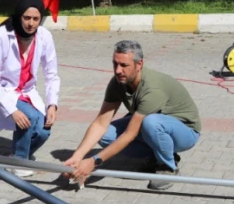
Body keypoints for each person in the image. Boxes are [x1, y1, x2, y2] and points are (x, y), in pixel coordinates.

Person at [65, 40, 201, 191]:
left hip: (185, 132)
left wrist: (94, 161)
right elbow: (100, 123)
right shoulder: (118, 82)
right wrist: (77, 157)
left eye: (124, 65)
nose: (117, 70)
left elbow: (130, 134)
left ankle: (168, 166)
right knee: (105, 135)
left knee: (151, 122)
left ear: (139, 64)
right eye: (115, 64)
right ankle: (157, 154)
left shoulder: (152, 89)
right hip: (153, 125)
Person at [0, 0, 61, 176]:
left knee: (43, 131)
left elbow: (51, 74)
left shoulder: (44, 36)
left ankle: (19, 154)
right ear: (19, 16)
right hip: (3, 88)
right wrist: (12, 111)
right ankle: (19, 161)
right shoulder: (2, 35)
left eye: (35, 19)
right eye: (26, 18)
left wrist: (52, 105)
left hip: (26, 91)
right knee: (29, 117)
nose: (31, 24)